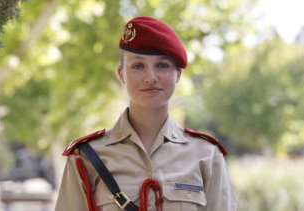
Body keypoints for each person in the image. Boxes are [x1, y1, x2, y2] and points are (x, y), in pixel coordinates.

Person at [55, 16, 237, 211]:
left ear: (178, 74)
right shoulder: (86, 157)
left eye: (162, 65)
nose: (151, 77)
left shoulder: (207, 156)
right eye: (138, 66)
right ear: (121, 74)